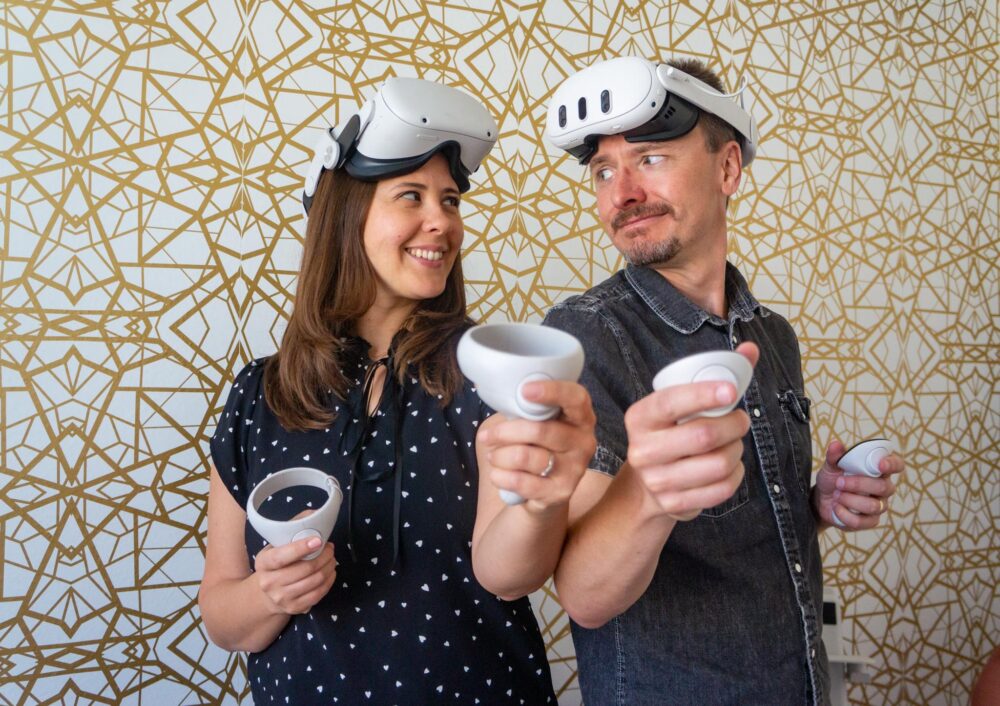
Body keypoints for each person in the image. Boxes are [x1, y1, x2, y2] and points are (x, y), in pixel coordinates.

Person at [198, 77, 595, 704]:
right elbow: (223, 614)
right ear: (345, 216)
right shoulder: (261, 395)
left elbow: (508, 574)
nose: (441, 222)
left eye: (451, 201)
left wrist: (543, 501)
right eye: (411, 196)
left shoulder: (487, 371)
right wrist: (268, 593)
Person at [539, 56, 907, 705]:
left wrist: (815, 505)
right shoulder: (585, 338)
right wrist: (651, 495)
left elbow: (737, 526)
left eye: (649, 158)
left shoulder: (772, 338)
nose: (620, 193)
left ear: (728, 167)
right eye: (602, 171)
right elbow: (586, 596)